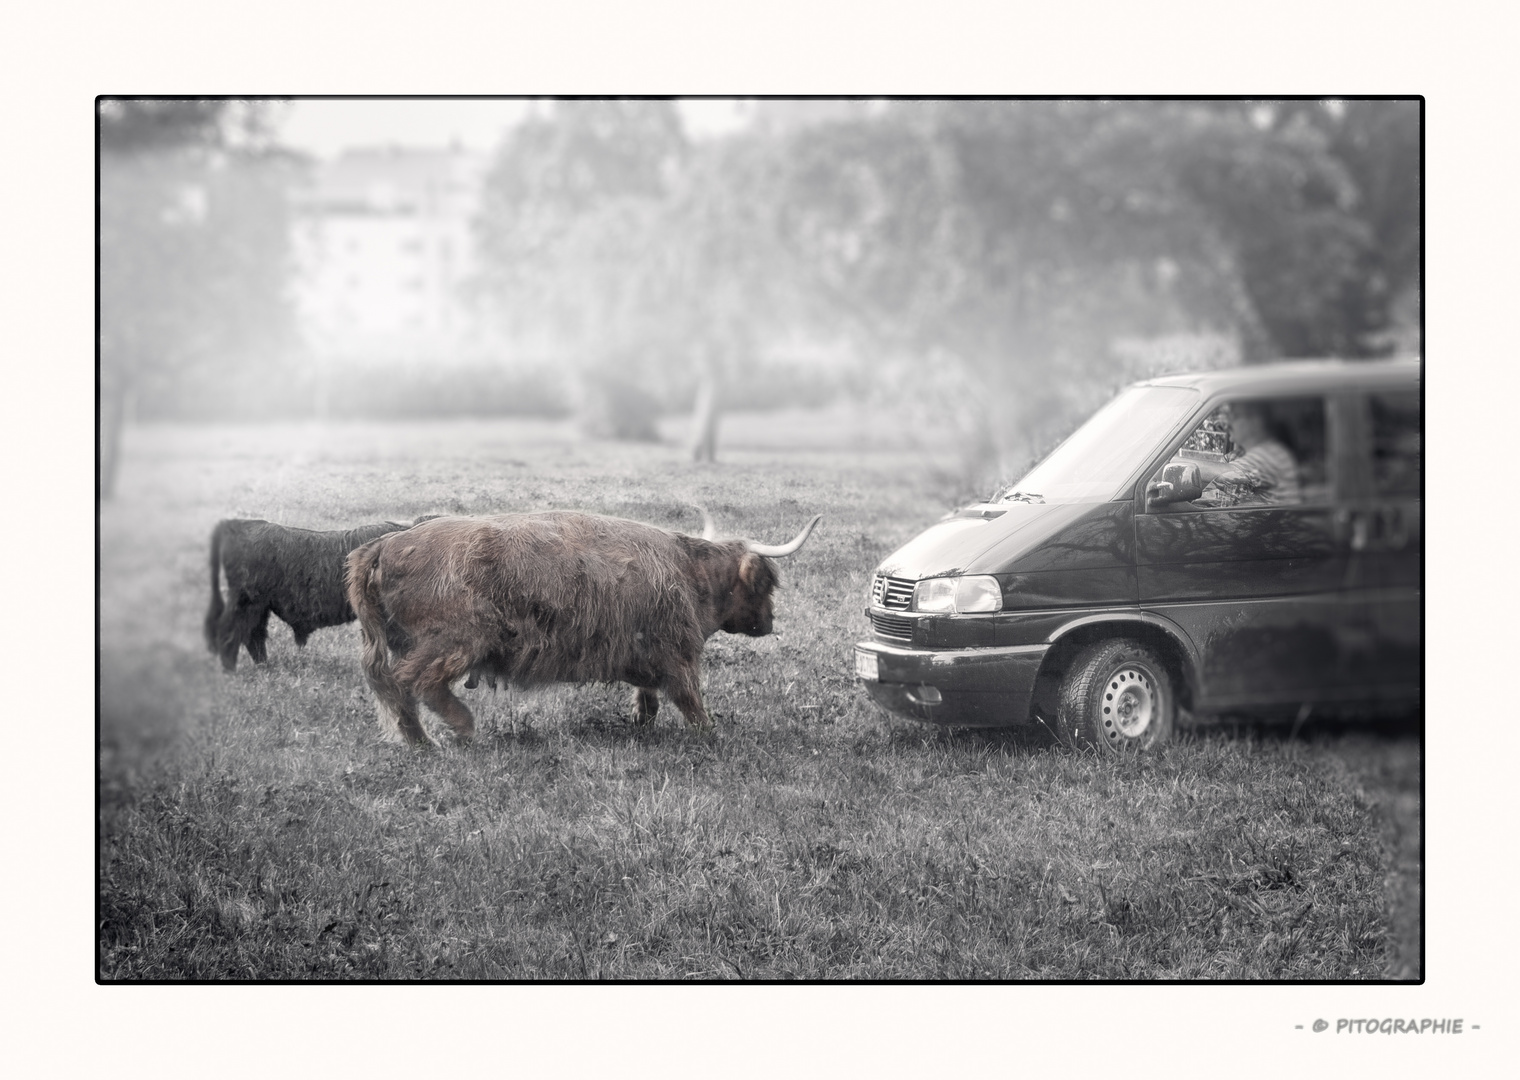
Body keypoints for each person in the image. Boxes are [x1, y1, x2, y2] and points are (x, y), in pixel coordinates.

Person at [1194, 402, 1301, 507]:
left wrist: (1178, 465)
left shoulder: (1273, 453)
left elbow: (1226, 474)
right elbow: (1215, 494)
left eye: (1234, 416)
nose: (1227, 422)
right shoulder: (1236, 455)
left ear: (1255, 422)